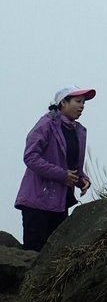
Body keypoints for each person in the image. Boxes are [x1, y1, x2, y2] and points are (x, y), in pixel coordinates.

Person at [15, 86, 96, 251]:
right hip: (36, 201)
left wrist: (81, 179)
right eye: (78, 101)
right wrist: (62, 175)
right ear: (63, 103)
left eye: (84, 103)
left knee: (55, 255)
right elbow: (30, 157)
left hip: (60, 202)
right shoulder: (46, 124)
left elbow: (71, 164)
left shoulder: (78, 131)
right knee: (34, 252)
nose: (82, 106)